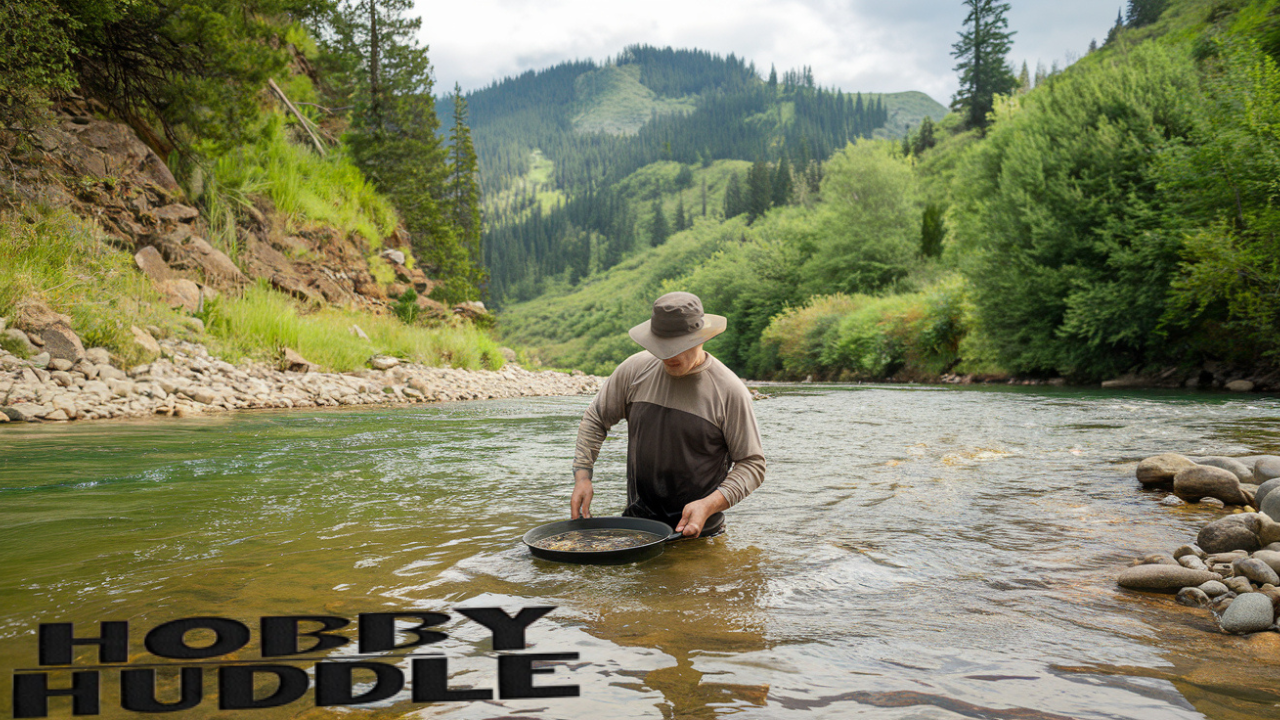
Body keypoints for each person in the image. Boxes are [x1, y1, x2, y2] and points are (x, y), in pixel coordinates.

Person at [570, 291, 765, 537]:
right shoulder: (633, 370)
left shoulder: (729, 391)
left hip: (699, 536)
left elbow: (752, 464)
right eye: (661, 346)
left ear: (701, 338)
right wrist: (583, 476)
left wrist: (709, 504)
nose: (669, 355)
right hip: (638, 528)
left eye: (679, 347)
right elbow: (596, 418)